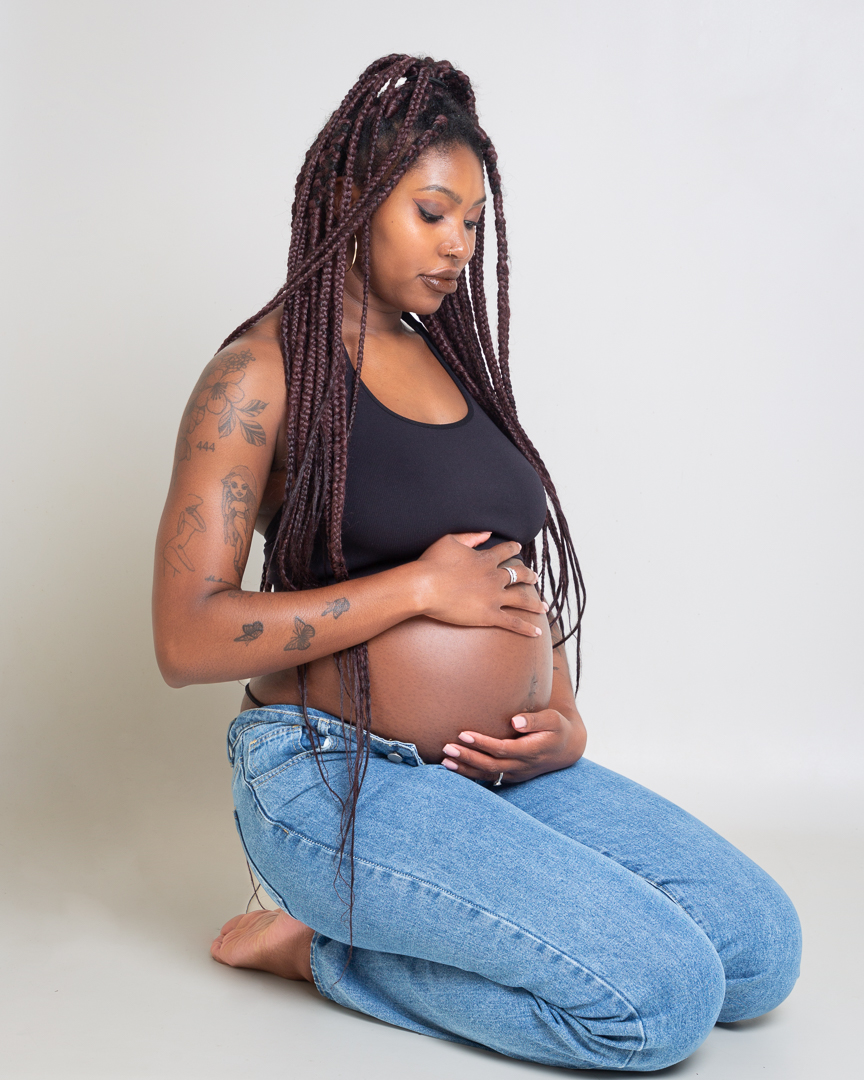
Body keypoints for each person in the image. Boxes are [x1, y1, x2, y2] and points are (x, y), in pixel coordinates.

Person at [152, 54, 801, 1071]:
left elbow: (507, 564)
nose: (458, 245)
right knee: (663, 1004)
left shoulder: (451, 357)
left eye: (472, 222)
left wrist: (563, 712)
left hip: (496, 774)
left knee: (760, 953)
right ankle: (324, 953)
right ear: (347, 197)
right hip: (337, 776)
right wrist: (416, 588)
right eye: (432, 213)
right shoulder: (258, 376)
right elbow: (186, 637)